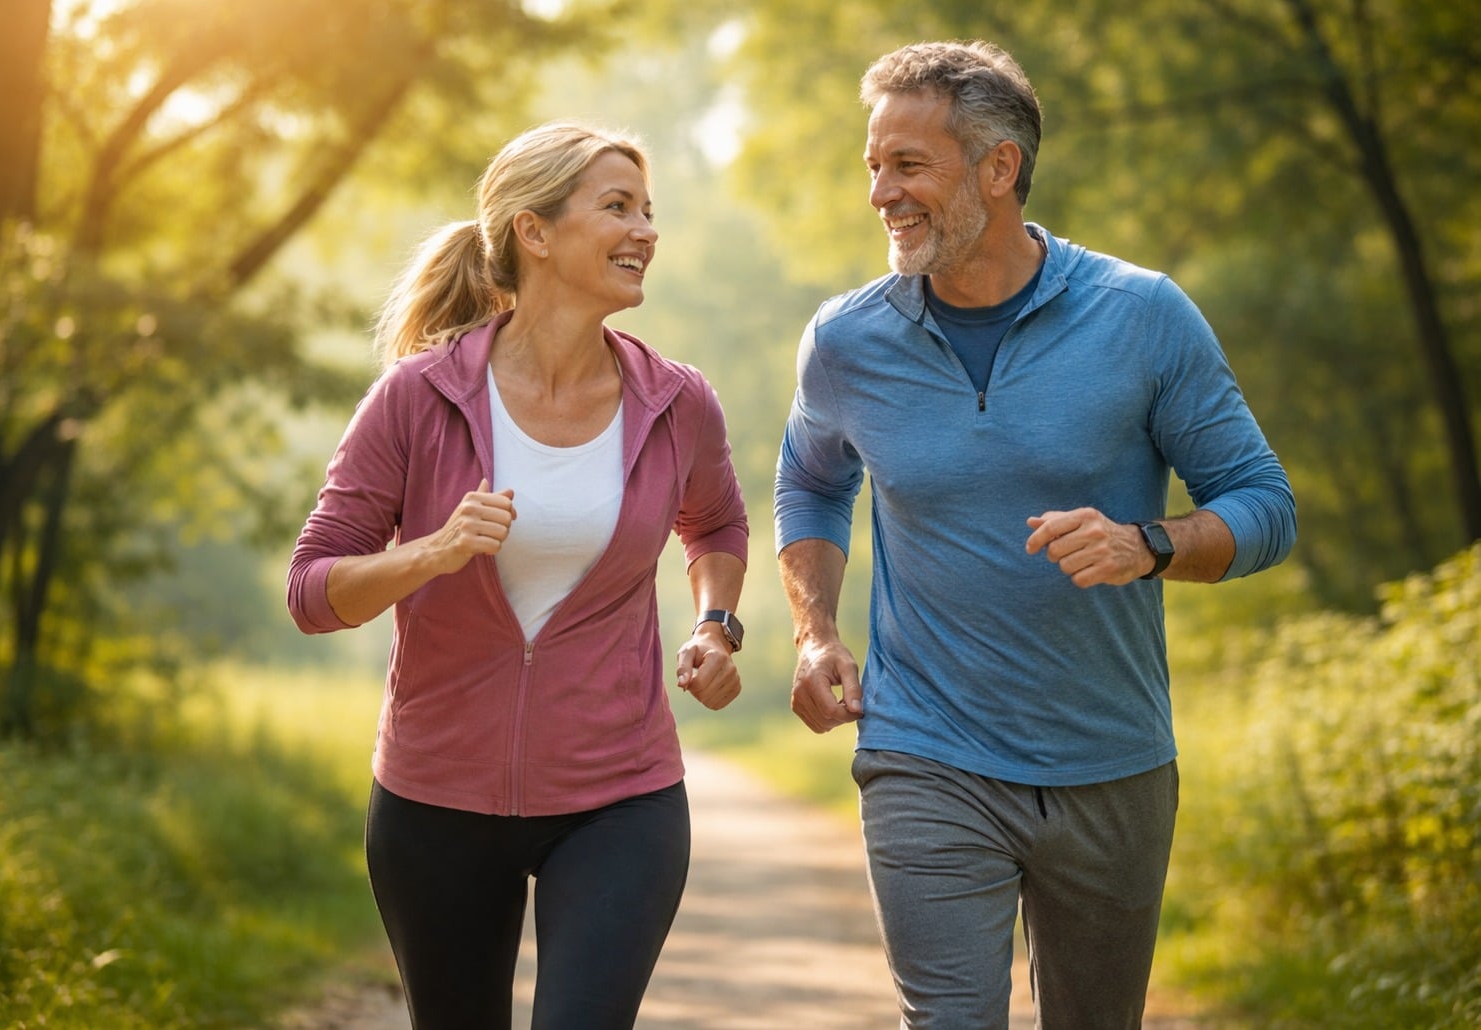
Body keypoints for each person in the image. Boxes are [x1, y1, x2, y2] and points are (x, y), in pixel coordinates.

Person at [774, 40, 1296, 1029]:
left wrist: (1148, 544)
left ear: (998, 167)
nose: (881, 193)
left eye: (909, 165)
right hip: (924, 750)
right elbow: (809, 483)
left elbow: (1265, 506)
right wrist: (816, 631)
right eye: (873, 167)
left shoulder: (1142, 317)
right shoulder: (847, 341)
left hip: (1111, 761)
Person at [288, 121, 749, 1029]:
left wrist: (714, 625)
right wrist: (432, 552)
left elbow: (718, 522)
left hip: (621, 797)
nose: (645, 230)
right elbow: (311, 591)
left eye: (648, 210)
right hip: (434, 799)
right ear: (533, 232)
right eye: (616, 208)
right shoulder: (418, 398)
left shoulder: (676, 401)